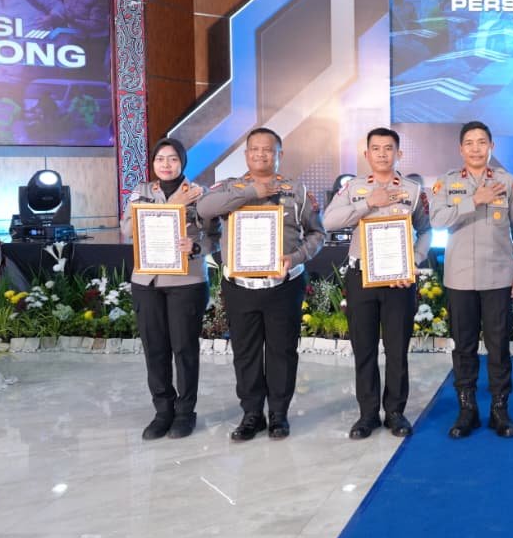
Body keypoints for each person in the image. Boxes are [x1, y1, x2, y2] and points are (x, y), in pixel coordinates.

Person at [198, 127, 326, 441]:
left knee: (282, 352)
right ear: (246, 154)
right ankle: (252, 414)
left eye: (268, 149)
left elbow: (317, 233)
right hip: (240, 286)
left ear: (279, 155)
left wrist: (295, 258)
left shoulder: (296, 191)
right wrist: (253, 192)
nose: (260, 154)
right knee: (245, 353)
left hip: (283, 285)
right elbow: (204, 209)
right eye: (254, 149)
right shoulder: (230, 188)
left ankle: (279, 414)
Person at [322, 127, 432, 440]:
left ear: (399, 153)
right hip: (362, 278)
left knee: (397, 349)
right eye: (376, 148)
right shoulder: (354, 188)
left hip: (399, 280)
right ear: (366, 154)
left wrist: (414, 259)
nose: (382, 154)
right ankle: (367, 414)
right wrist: (368, 203)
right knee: (365, 348)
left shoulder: (412, 190)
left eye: (388, 148)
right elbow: (328, 222)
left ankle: (395, 412)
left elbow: (426, 230)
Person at [428, 121, 513, 439]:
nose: (476, 148)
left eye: (482, 142)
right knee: (464, 347)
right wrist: (474, 199)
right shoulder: (447, 183)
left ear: (491, 147)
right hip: (460, 278)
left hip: (498, 277)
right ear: (461, 149)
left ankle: (500, 410)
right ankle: (467, 409)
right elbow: (437, 220)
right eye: (469, 143)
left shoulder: (507, 182)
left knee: (499, 347)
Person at [119, 138, 215, 440]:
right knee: (155, 349)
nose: (166, 164)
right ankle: (163, 411)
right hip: (147, 281)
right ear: (153, 163)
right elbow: (127, 229)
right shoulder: (141, 193)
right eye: (160, 159)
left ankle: (185, 413)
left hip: (187, 282)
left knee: (184, 349)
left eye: (172, 159)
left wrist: (197, 246)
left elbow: (216, 235)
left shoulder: (200, 193)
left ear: (182, 162)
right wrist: (174, 206)